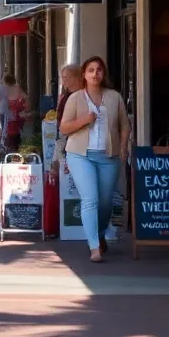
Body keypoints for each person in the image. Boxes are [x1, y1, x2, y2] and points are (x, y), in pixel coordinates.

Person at [59, 56, 131, 262]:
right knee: (90, 199)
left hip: (109, 155)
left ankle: (99, 235)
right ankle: (94, 247)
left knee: (106, 202)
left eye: (99, 70)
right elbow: (64, 128)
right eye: (90, 70)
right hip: (80, 155)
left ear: (103, 74)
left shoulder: (114, 97)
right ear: (84, 74)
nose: (95, 74)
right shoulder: (75, 98)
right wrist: (84, 120)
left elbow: (124, 124)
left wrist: (123, 146)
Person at [3, 74, 28, 153]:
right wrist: (25, 109)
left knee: (10, 133)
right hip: (18, 114)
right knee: (16, 132)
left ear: (7, 82)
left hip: (11, 115)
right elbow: (26, 97)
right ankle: (16, 148)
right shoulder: (18, 88)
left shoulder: (6, 90)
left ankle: (11, 150)